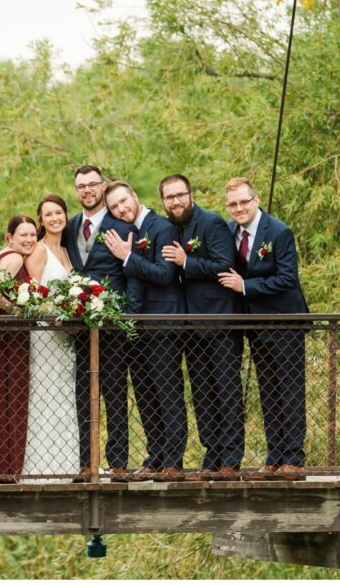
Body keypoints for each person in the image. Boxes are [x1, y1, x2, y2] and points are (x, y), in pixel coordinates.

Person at [217, 177, 309, 482]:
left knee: (290, 390)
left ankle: (294, 458)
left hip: (284, 321)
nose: (239, 208)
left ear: (256, 201)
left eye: (244, 202)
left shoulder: (279, 232)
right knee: (268, 391)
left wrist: (246, 286)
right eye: (233, 204)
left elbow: (287, 278)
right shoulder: (230, 231)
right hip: (255, 325)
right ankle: (275, 456)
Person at [159, 173, 244, 482]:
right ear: (163, 202)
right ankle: (213, 452)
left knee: (226, 390)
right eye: (170, 197)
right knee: (202, 394)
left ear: (190, 195)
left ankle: (231, 458)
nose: (176, 201)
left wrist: (186, 261)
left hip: (220, 320)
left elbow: (224, 264)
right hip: (190, 327)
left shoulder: (212, 223)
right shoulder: (169, 228)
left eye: (180, 195)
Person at [102, 180, 187, 482]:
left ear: (135, 196)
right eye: (115, 207)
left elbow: (165, 275)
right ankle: (156, 455)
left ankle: (174, 461)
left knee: (168, 394)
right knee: (146, 396)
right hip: (136, 330)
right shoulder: (129, 233)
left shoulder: (160, 227)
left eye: (124, 201)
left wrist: (127, 256)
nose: (122, 209)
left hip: (163, 325)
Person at [63, 165, 142, 482]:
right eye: (81, 186)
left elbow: (131, 273)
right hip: (80, 328)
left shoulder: (120, 225)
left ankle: (119, 460)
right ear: (76, 191)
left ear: (102, 187)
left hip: (113, 327)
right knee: (83, 393)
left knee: (114, 391)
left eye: (92, 185)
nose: (87, 191)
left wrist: (127, 315)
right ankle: (87, 462)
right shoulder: (69, 228)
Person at [18, 196, 78, 481]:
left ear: (66, 215)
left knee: (65, 394)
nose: (55, 218)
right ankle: (40, 466)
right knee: (45, 392)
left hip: (65, 336)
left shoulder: (66, 250)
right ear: (40, 220)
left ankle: (67, 463)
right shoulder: (40, 251)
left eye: (59, 212)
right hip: (44, 333)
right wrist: (54, 314)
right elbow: (29, 295)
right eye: (48, 214)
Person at [0, 215, 39, 479]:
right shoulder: (14, 258)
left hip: (6, 335)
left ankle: (0, 463)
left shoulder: (5, 256)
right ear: (10, 238)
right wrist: (17, 309)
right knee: (8, 394)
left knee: (0, 395)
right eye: (23, 235)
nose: (28, 240)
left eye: (32, 235)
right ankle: (3, 465)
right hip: (6, 337)